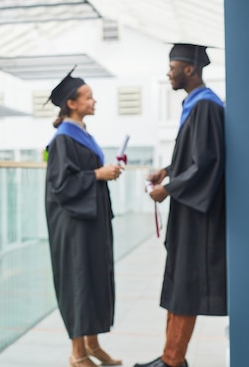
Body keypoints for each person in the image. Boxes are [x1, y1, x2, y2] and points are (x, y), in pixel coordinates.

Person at [134, 44, 226, 367]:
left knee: (185, 283)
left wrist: (168, 188)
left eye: (173, 66)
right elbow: (191, 158)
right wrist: (167, 171)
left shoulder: (207, 106)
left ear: (190, 69)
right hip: (188, 211)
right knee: (177, 281)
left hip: (198, 215)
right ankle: (170, 356)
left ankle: (174, 360)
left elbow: (205, 163)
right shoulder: (194, 105)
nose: (168, 72)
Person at [44, 67, 123, 367]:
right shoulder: (63, 138)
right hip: (74, 224)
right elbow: (61, 185)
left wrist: (103, 174)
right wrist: (97, 174)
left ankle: (92, 344)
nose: (94, 101)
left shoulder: (81, 133)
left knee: (92, 279)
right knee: (79, 281)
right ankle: (77, 353)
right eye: (88, 97)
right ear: (72, 103)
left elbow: (83, 174)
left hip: (89, 220)